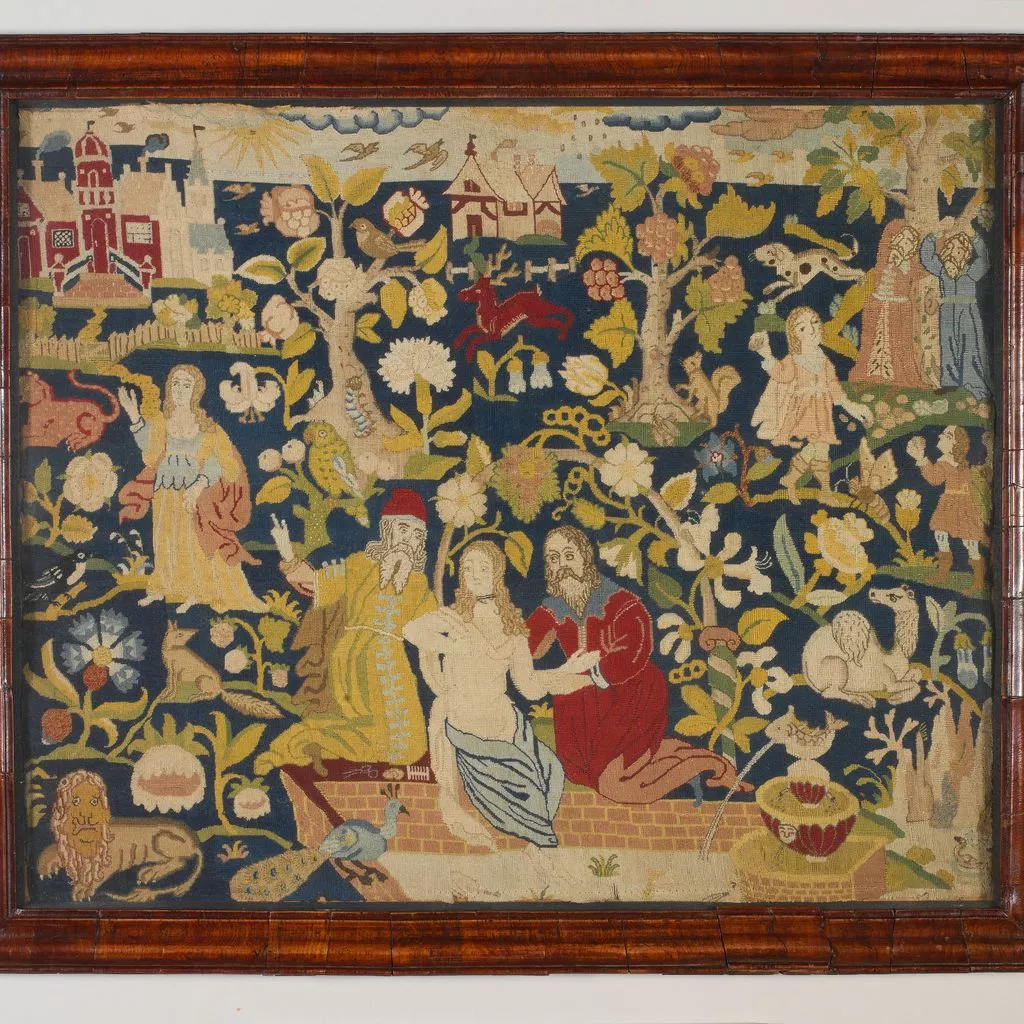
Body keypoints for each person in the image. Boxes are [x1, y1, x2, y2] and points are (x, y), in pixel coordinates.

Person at [524, 526, 742, 805]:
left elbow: (632, 654)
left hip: (629, 696)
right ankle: (672, 754)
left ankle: (711, 765)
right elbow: (526, 646)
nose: (562, 566)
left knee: (616, 786)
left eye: (569, 555)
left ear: (585, 557)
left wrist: (583, 678)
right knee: (581, 775)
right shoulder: (553, 607)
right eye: (554, 559)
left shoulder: (620, 602)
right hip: (581, 707)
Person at [403, 541, 597, 849]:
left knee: (551, 771)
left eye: (483, 568)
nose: (474, 574)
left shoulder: (513, 629)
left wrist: (566, 670)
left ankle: (537, 848)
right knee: (524, 785)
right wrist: (452, 646)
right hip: (465, 722)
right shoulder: (453, 618)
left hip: (505, 724)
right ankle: (539, 845)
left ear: (497, 574)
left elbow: (529, 687)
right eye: (467, 568)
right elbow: (411, 630)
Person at [254, 488, 437, 776]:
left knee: (377, 732)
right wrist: (286, 550)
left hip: (386, 659)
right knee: (405, 746)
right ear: (387, 531)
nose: (408, 541)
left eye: (416, 535)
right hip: (363, 662)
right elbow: (313, 581)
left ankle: (304, 742)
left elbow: (433, 626)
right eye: (403, 530)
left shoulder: (417, 584)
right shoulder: (359, 565)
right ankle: (301, 744)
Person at [117, 363, 265, 614]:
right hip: (165, 490)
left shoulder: (205, 425)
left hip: (192, 492)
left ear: (196, 391)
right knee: (164, 540)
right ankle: (162, 587)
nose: (179, 389)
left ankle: (195, 591)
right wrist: (134, 416)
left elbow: (221, 461)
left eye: (186, 385)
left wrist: (199, 486)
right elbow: (150, 452)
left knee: (191, 542)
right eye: (175, 383)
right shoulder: (161, 421)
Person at [750, 306, 873, 505]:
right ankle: (823, 491)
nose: (812, 329)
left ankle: (793, 480)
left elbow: (834, 388)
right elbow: (782, 375)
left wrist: (853, 407)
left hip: (821, 411)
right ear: (795, 335)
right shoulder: (794, 359)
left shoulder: (823, 359)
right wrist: (767, 355)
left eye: (814, 322)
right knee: (820, 448)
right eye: (802, 328)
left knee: (818, 449)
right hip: (802, 410)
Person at [907, 426, 988, 592]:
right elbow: (935, 479)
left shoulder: (958, 462)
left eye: (947, 435)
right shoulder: (946, 461)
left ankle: (979, 581)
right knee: (940, 534)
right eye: (943, 433)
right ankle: (943, 574)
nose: (940, 436)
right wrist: (921, 458)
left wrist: (921, 458)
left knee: (969, 541)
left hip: (964, 505)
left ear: (955, 443)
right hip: (949, 504)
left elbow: (934, 478)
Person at [850, 219, 929, 388]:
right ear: (893, 241)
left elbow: (923, 276)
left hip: (898, 310)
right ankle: (872, 373)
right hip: (878, 305)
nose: (904, 244)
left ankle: (898, 375)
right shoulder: (883, 262)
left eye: (909, 242)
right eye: (901, 239)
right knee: (873, 341)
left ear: (913, 248)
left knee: (898, 343)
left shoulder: (910, 266)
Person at [919, 225, 991, 399]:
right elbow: (927, 258)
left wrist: (974, 237)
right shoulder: (944, 272)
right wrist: (933, 235)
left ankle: (973, 383)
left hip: (967, 313)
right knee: (948, 346)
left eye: (959, 250)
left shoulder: (970, 273)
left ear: (966, 254)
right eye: (951, 249)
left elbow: (984, 260)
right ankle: (950, 382)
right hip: (947, 312)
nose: (954, 253)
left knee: (969, 346)